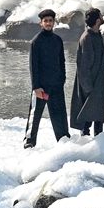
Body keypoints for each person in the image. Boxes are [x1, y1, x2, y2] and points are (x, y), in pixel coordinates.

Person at [24, 9, 70, 149]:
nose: (48, 23)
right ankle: (29, 141)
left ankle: (63, 139)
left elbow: (61, 61)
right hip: (41, 87)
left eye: (50, 21)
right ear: (41, 23)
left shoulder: (58, 40)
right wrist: (35, 86)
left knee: (60, 114)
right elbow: (33, 65)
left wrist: (62, 79)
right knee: (35, 114)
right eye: (46, 21)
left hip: (56, 85)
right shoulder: (36, 41)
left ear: (54, 22)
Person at [70, 8, 104, 137]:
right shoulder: (87, 37)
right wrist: (88, 87)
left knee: (98, 114)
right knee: (87, 115)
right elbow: (84, 66)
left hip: (98, 82)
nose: (102, 17)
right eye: (101, 15)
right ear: (98, 20)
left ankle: (99, 139)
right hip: (91, 84)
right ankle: (87, 143)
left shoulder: (96, 35)